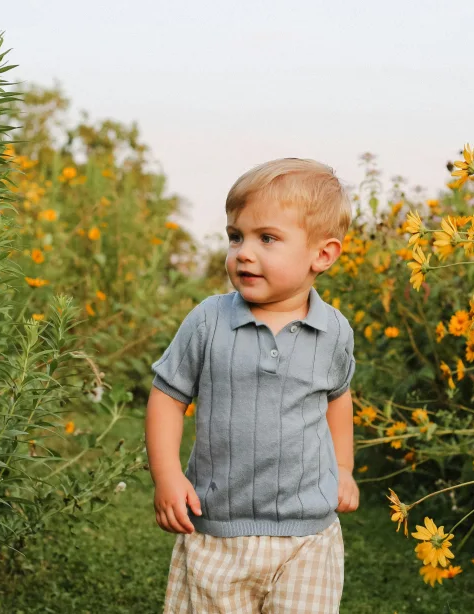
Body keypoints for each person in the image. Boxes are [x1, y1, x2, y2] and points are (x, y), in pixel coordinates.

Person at [146, 158, 358, 613]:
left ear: (322, 255)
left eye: (267, 238)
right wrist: (167, 475)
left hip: (307, 534)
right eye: (235, 236)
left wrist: (343, 468)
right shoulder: (209, 320)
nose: (243, 252)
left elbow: (338, 399)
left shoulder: (334, 331)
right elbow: (167, 397)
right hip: (217, 527)